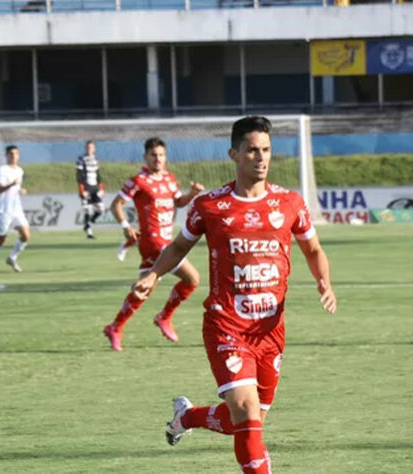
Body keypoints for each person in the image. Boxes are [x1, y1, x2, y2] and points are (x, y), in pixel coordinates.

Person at [133, 117, 337, 473]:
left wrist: (324, 282)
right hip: (226, 325)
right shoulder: (209, 206)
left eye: (267, 150)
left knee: (243, 419)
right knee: (246, 412)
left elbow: (314, 250)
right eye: (252, 150)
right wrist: (154, 274)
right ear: (234, 154)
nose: (261, 158)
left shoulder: (290, 204)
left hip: (270, 331)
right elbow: (179, 245)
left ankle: (188, 416)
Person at [103, 137, 204, 349]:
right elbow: (116, 205)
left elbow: (179, 201)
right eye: (153, 155)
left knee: (144, 290)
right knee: (192, 278)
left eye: (160, 155)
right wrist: (125, 225)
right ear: (146, 157)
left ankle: (116, 327)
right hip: (154, 242)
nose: (157, 159)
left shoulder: (169, 179)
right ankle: (164, 317)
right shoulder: (138, 181)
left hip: (166, 241)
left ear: (165, 157)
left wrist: (191, 195)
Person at [0, 145, 30, 273]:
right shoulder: (2, 170)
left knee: (26, 235)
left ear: (19, 156)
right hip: (4, 209)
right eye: (11, 154)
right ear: (6, 156)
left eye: (16, 154)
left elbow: (16, 188)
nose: (13, 156)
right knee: (2, 237)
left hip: (17, 208)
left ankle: (12, 258)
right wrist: (11, 184)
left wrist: (20, 190)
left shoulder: (20, 171)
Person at [76, 140, 106, 239]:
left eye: (91, 148)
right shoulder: (81, 159)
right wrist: (81, 189)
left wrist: (102, 188)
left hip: (95, 188)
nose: (90, 149)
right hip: (86, 187)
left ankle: (88, 224)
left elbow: (98, 174)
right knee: (88, 210)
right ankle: (89, 233)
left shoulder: (95, 159)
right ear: (86, 148)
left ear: (94, 149)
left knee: (101, 208)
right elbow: (79, 175)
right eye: (88, 147)